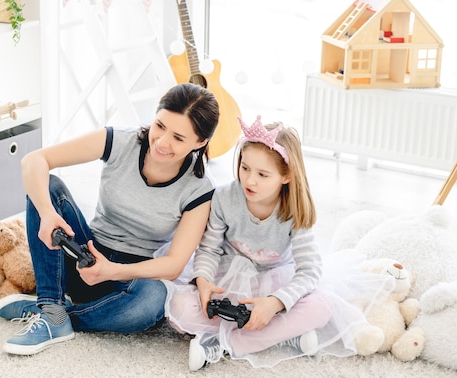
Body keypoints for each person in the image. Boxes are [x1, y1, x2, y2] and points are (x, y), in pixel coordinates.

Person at [0, 82, 220, 356]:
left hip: (128, 277)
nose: (162, 142)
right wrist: (48, 213)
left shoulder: (199, 191)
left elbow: (172, 266)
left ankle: (56, 314)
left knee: (154, 302)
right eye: (160, 126)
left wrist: (113, 270)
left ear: (200, 142)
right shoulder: (119, 140)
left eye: (178, 138)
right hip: (84, 254)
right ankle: (52, 306)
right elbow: (34, 160)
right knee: (46, 187)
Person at [165, 115, 390, 370]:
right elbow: (208, 248)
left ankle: (225, 344)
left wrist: (275, 303)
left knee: (322, 307)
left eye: (263, 174)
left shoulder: (294, 211)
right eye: (245, 167)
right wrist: (204, 281)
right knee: (179, 309)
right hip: (227, 278)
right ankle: (283, 335)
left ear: (286, 176)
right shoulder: (225, 197)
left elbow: (309, 271)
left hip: (274, 281)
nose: (250, 180)